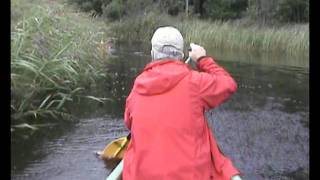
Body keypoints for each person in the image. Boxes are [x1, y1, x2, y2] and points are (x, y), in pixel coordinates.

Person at [123, 26, 242, 180]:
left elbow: (128, 122)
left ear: (152, 54)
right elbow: (228, 84)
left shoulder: (137, 88)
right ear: (181, 55)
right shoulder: (196, 83)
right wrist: (202, 59)